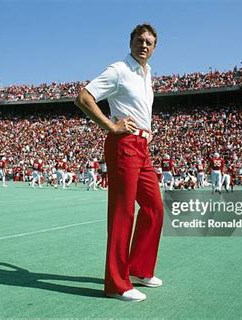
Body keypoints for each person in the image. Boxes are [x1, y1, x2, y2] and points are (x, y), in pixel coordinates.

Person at [75, 23, 163, 302]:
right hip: (123, 143)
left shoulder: (147, 73)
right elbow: (83, 97)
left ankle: (138, 269)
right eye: (140, 40)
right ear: (131, 42)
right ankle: (116, 284)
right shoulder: (119, 70)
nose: (144, 45)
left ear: (155, 47)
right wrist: (110, 126)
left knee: (154, 208)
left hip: (142, 146)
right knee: (123, 212)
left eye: (149, 41)